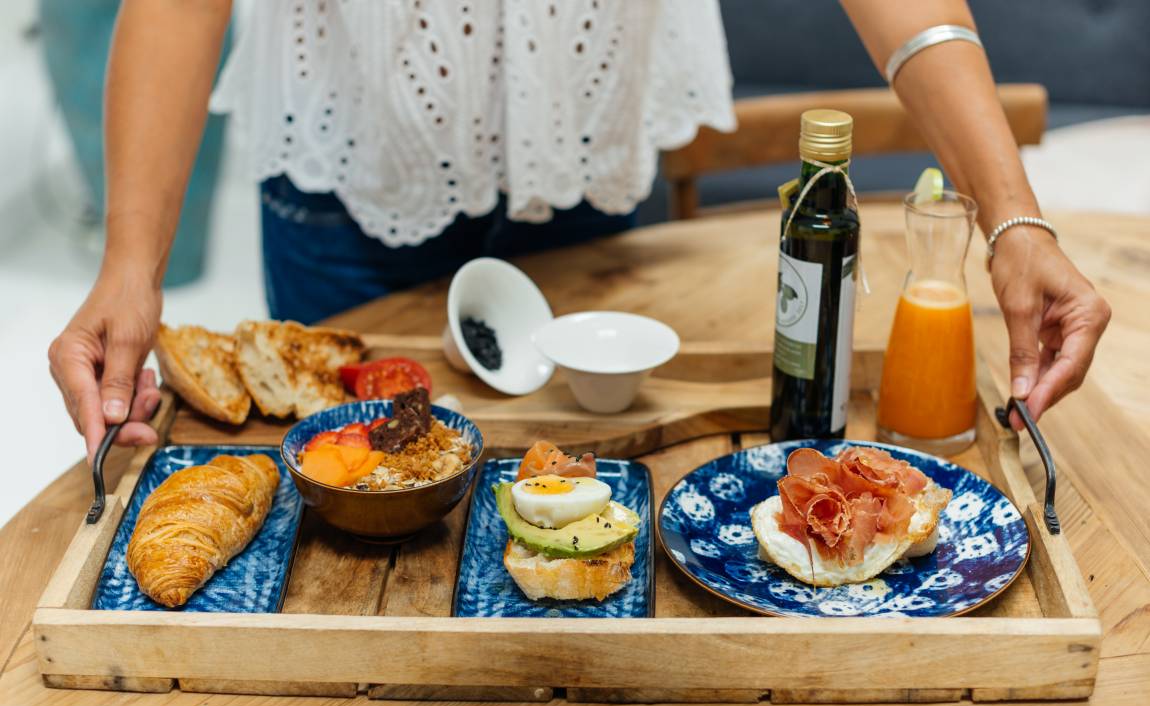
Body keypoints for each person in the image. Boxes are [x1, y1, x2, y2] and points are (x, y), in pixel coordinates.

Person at [49, 0, 1110, 461]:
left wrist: (1010, 217)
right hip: (355, 180)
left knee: (605, 509)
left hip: (591, 176)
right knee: (354, 511)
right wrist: (129, 268)